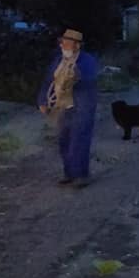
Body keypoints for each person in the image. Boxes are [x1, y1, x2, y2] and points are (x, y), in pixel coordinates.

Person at [38, 28, 98, 187]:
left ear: (77, 45)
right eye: (63, 42)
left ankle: (81, 175)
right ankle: (69, 173)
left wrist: (75, 74)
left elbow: (87, 78)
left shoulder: (87, 61)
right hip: (62, 108)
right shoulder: (58, 61)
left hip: (81, 107)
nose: (63, 45)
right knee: (64, 141)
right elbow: (47, 82)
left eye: (68, 42)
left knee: (79, 141)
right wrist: (43, 101)